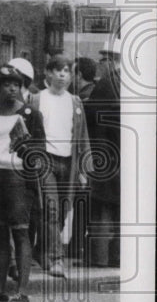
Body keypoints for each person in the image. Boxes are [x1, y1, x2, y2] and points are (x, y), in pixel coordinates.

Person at [0, 65, 46, 302]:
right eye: (6, 84)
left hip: (18, 178)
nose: (12, 89)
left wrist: (24, 146)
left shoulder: (29, 114)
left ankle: (22, 291)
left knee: (21, 232)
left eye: (16, 84)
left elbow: (39, 152)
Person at [28, 55, 91, 279]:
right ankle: (56, 259)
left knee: (64, 210)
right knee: (51, 209)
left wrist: (84, 169)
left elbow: (82, 136)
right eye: (58, 70)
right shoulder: (36, 99)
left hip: (69, 162)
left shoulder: (75, 102)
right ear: (48, 73)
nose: (63, 75)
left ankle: (39, 251)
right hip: (46, 160)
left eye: (68, 71)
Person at [85, 46, 121, 267]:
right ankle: (117, 256)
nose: (100, 64)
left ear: (111, 60)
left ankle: (101, 257)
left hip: (106, 155)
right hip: (125, 155)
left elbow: (92, 119)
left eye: (103, 59)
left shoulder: (108, 83)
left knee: (102, 209)